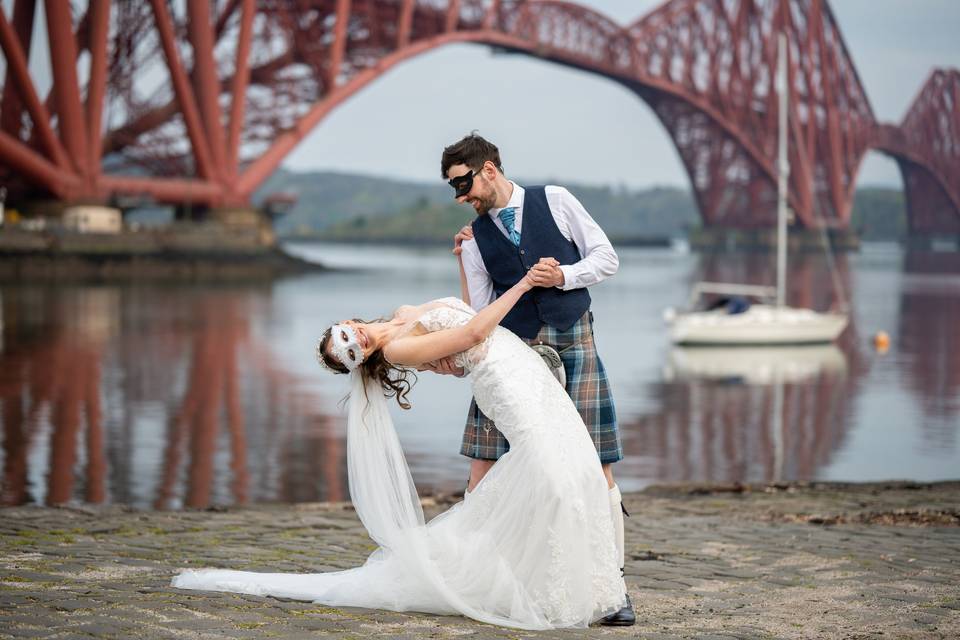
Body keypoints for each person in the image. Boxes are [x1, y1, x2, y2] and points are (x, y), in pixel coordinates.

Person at [172, 272, 628, 629]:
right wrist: (525, 285)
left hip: (524, 371)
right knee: (551, 476)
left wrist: (461, 261)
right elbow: (471, 335)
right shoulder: (397, 352)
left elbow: (462, 314)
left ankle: (596, 588)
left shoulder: (402, 316)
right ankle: (560, 590)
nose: (355, 342)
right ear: (360, 363)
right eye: (349, 352)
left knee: (577, 468)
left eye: (346, 335)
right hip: (507, 386)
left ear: (348, 322)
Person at [438, 133, 635, 625]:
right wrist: (464, 261)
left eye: (462, 183)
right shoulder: (476, 238)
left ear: (488, 168)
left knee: (597, 463)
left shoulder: (557, 200)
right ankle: (480, 579)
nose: (460, 196)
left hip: (576, 342)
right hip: (515, 354)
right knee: (488, 463)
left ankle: (613, 587)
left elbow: (606, 259)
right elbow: (481, 313)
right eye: (452, 189)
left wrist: (562, 277)